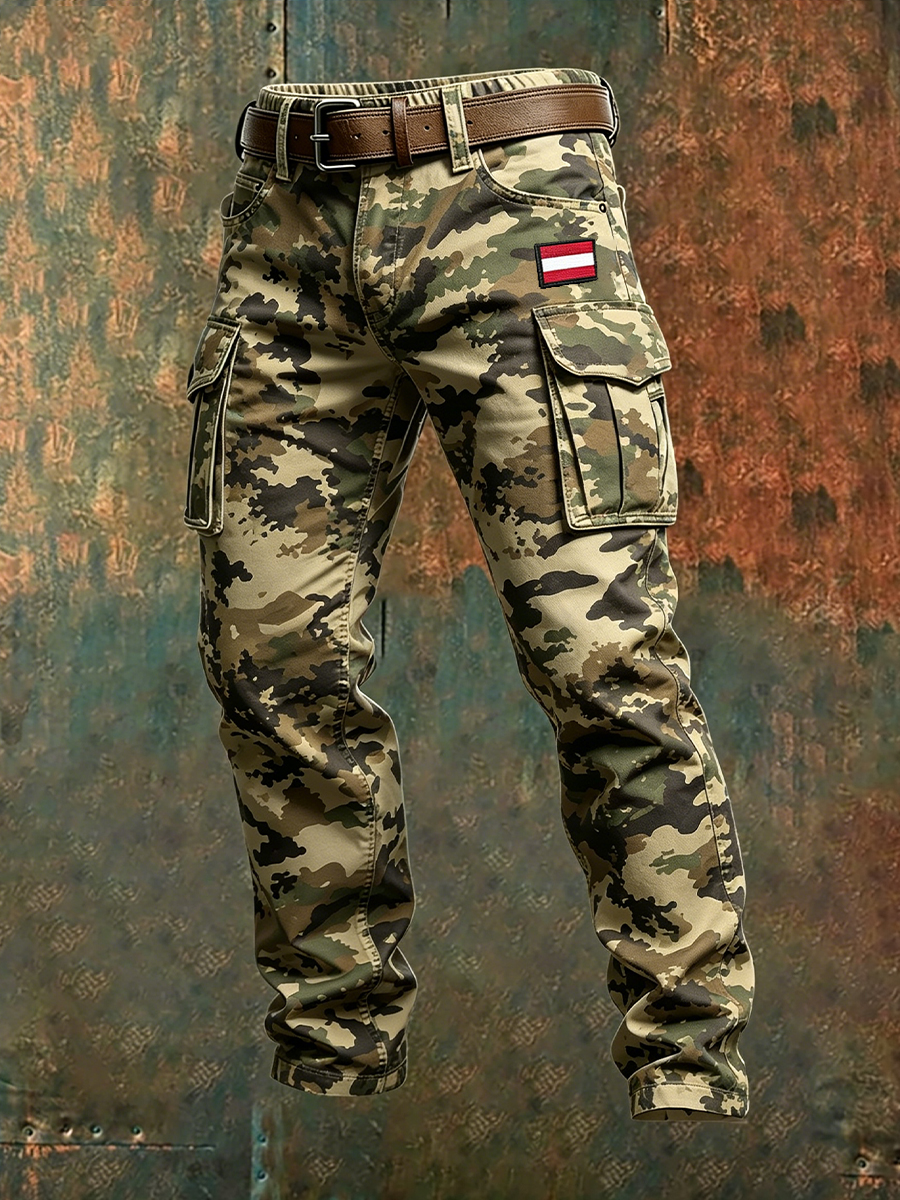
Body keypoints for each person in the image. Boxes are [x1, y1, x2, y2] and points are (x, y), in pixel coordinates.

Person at [183, 67, 754, 1120]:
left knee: (602, 662)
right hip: (289, 212)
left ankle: (688, 1062)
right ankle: (337, 1048)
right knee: (269, 664)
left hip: (515, 199)